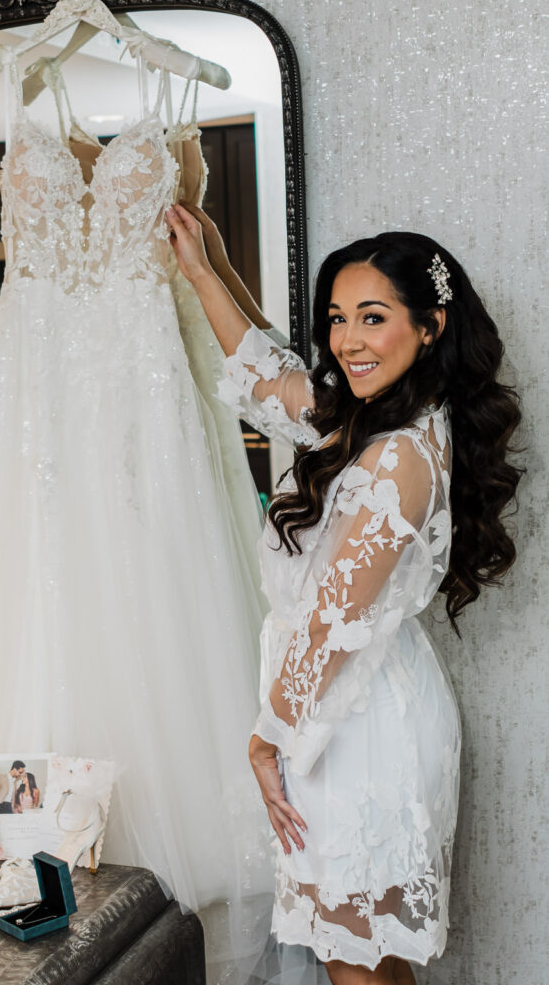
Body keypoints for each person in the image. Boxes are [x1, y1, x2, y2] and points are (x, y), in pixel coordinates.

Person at [166, 204, 522, 985]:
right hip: (350, 703)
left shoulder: (396, 457)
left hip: (352, 723)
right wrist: (206, 269)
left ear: (430, 326)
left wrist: (265, 740)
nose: (347, 342)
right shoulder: (374, 419)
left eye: (372, 317)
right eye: (335, 319)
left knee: (353, 963)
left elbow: (331, 623)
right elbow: (264, 379)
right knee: (363, 956)